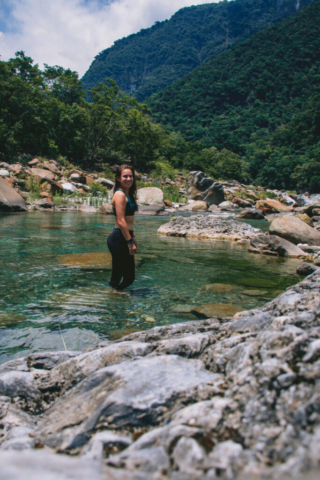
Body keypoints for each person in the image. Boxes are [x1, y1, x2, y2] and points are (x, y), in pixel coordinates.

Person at [107, 165, 138, 290]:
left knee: (123, 276)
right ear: (118, 178)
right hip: (119, 239)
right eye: (125, 176)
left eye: (131, 176)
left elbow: (129, 221)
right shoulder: (120, 195)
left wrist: (133, 237)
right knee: (125, 277)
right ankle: (114, 296)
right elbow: (121, 220)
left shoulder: (127, 194)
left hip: (124, 237)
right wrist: (129, 241)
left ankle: (113, 294)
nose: (129, 178)